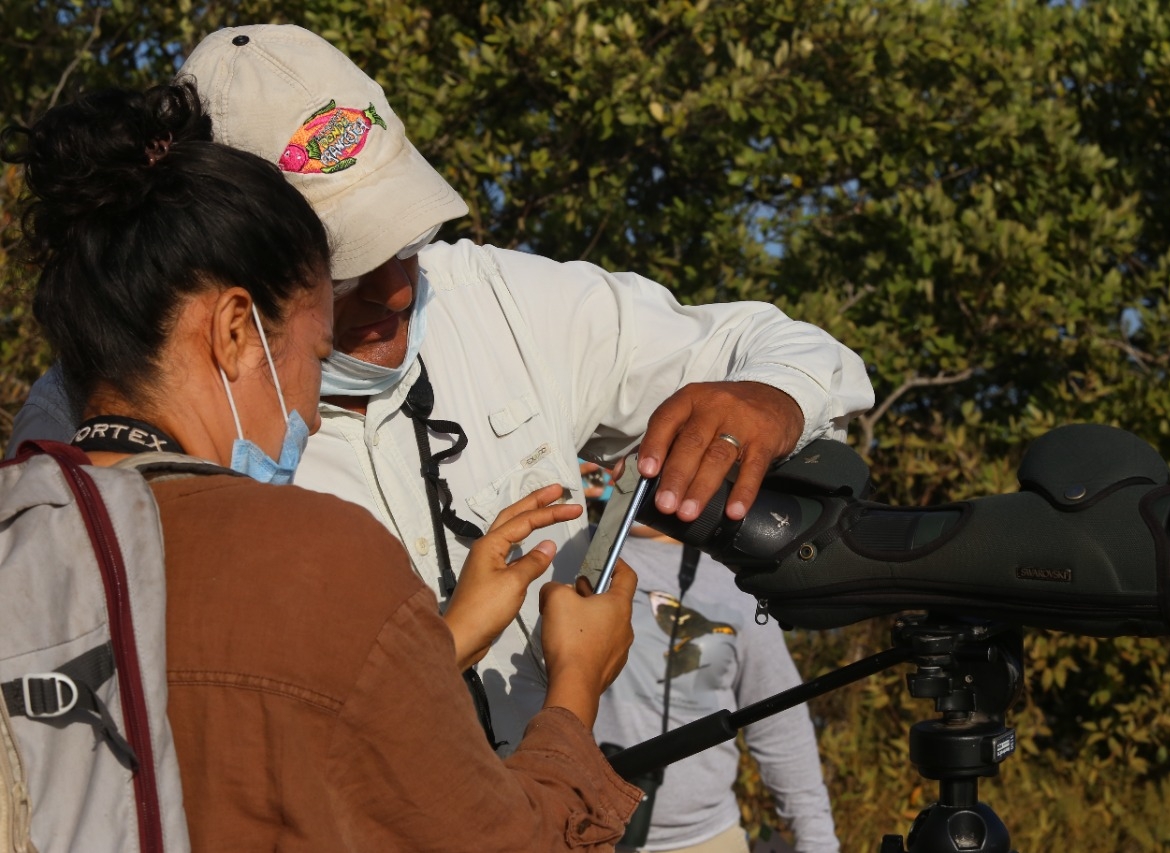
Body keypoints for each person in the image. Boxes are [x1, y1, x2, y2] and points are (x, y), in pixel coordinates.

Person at [5, 24, 877, 750]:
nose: (392, 286)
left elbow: (778, 344)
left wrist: (770, 397)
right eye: (342, 267)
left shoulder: (501, 297)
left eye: (405, 237)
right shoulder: (101, 416)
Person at [1, 82, 641, 850]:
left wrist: (451, 633)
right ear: (236, 330)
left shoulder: (20, 533)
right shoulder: (317, 556)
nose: (310, 411)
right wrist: (576, 680)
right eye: (316, 357)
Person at [583, 466, 840, 853]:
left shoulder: (735, 583)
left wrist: (817, 842)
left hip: (707, 839)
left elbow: (780, 727)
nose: (624, 467)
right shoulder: (568, 554)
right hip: (569, 832)